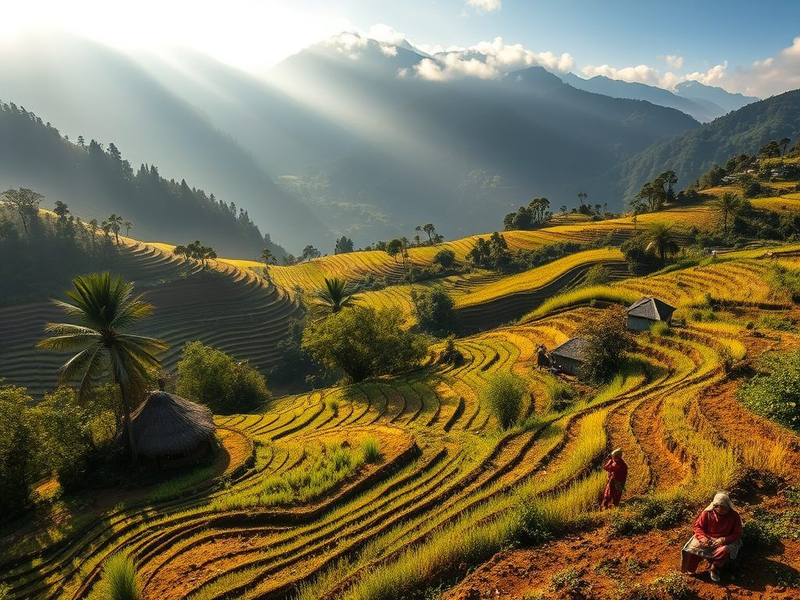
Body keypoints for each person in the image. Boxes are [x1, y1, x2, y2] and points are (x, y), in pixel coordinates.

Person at [681, 492, 743, 582]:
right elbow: (698, 527)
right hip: (708, 538)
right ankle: (690, 570)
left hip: (724, 541)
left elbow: (737, 533)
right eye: (717, 506)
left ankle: (714, 568)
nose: (720, 509)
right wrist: (703, 538)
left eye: (723, 507)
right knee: (693, 549)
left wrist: (723, 540)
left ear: (728, 507)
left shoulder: (734, 516)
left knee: (724, 551)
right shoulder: (707, 513)